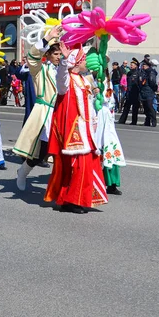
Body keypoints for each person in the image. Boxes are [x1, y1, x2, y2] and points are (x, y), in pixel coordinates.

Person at [44, 45, 108, 213]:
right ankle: (71, 200)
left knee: (85, 165)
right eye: (84, 59)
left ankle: (73, 199)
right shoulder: (67, 79)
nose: (86, 61)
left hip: (85, 130)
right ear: (77, 61)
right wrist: (65, 60)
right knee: (77, 166)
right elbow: (61, 77)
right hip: (73, 132)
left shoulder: (83, 79)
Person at [14, 25, 63, 191]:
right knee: (41, 152)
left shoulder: (64, 70)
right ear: (47, 55)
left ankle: (60, 186)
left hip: (61, 113)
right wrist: (48, 38)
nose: (59, 56)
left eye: (59, 53)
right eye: (55, 54)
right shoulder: (40, 70)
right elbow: (33, 56)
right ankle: (23, 171)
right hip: (46, 113)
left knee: (62, 152)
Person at [117, 58, 141, 125]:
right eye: (131, 64)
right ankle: (122, 120)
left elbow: (139, 84)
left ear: (136, 65)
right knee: (126, 107)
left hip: (135, 93)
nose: (131, 66)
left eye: (132, 64)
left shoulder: (138, 73)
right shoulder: (129, 73)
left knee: (135, 109)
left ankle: (134, 121)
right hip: (129, 92)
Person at [138, 61, 158, 127]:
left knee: (150, 106)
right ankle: (147, 121)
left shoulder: (151, 72)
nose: (143, 67)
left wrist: (154, 89)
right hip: (143, 91)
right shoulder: (143, 72)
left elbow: (152, 82)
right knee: (145, 107)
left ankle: (154, 121)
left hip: (149, 91)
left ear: (147, 66)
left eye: (144, 66)